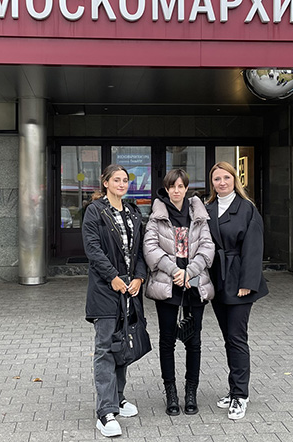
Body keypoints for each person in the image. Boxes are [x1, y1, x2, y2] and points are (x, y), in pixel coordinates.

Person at [82, 164, 148, 438]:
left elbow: (140, 250)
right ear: (105, 182)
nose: (122, 184)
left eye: (125, 180)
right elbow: (93, 249)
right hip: (106, 290)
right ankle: (105, 412)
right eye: (116, 180)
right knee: (105, 349)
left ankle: (118, 399)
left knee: (123, 346)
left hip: (130, 291)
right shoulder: (95, 211)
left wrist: (140, 277)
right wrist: (113, 277)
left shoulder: (132, 212)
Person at [143, 169, 215, 416]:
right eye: (172, 186)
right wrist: (175, 271)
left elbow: (207, 247)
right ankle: (171, 393)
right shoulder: (157, 216)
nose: (176, 190)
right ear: (166, 189)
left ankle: (191, 392)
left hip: (194, 284)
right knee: (167, 341)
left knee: (194, 341)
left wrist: (190, 272)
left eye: (181, 186)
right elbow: (150, 247)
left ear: (186, 188)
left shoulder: (199, 214)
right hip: (168, 282)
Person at [206, 162, 268, 420]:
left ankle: (240, 395)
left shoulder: (247, 209)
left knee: (237, 337)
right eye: (217, 178)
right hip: (217, 281)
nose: (222, 182)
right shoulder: (207, 208)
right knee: (228, 337)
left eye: (226, 177)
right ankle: (234, 390)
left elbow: (254, 248)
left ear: (235, 179)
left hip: (239, 281)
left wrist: (248, 283)